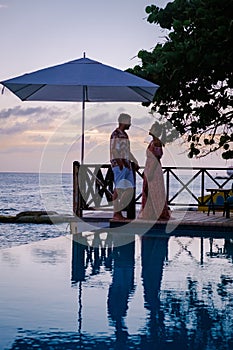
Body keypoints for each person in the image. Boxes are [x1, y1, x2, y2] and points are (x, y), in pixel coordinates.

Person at [138, 122, 171, 221]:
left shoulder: (156, 142)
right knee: (149, 191)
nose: (150, 130)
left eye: (152, 128)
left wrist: (151, 172)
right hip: (150, 168)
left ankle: (156, 213)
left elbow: (156, 159)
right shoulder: (153, 142)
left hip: (154, 169)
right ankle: (151, 212)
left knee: (153, 190)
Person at [110, 113, 139, 221]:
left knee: (130, 189)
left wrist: (134, 160)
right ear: (123, 121)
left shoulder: (125, 135)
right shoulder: (115, 134)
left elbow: (127, 150)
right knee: (118, 188)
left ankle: (119, 209)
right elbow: (114, 149)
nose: (130, 124)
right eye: (129, 121)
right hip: (119, 165)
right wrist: (119, 162)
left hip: (127, 164)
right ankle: (116, 213)